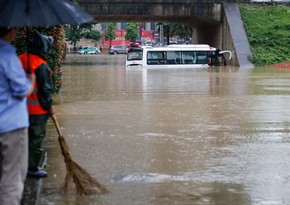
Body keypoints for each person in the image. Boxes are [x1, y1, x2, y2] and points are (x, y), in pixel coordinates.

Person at [0, 27, 36, 205]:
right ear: (10, 30)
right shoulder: (7, 56)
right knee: (12, 179)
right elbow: (21, 90)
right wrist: (31, 81)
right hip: (11, 126)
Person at [19, 31, 56, 178]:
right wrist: (50, 107)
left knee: (22, 139)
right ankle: (32, 168)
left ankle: (20, 165)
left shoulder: (20, 58)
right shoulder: (41, 65)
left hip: (18, 110)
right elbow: (45, 91)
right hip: (36, 111)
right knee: (35, 139)